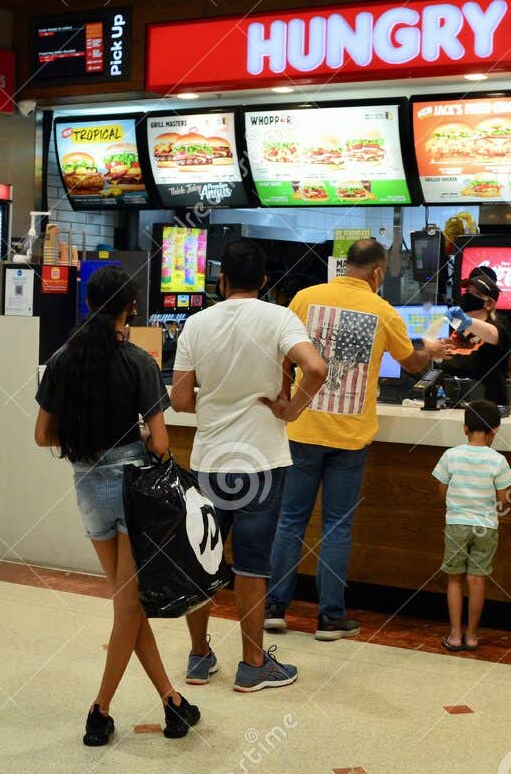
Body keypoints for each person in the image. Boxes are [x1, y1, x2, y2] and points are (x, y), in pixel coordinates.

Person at [34, 265, 201, 745]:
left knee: (128, 604)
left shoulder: (63, 359)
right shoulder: (139, 362)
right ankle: (99, 709)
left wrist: (86, 440)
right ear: (129, 306)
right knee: (128, 604)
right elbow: (161, 444)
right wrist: (144, 439)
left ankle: (172, 701)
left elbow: (42, 435)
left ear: (88, 303)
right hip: (134, 490)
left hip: (88, 487)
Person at [265, 238, 445, 640]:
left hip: (302, 429)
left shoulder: (305, 298)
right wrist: (430, 350)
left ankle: (274, 609)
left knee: (290, 520)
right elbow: (412, 364)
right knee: (337, 527)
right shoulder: (383, 311)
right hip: (350, 436)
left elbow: (281, 354)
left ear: (346, 265)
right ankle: (330, 618)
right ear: (378, 272)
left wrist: (284, 395)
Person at [170, 238, 328, 692]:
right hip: (261, 461)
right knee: (252, 564)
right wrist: (292, 410)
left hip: (210, 460)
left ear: (221, 280)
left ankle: (199, 657)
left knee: (204, 560)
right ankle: (253, 664)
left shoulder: (196, 324)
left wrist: (214, 400)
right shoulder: (279, 317)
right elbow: (316, 369)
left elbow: (179, 399)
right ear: (263, 280)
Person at [433, 400, 511, 652]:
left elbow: (442, 490)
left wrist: (456, 507)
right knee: (477, 581)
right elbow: (504, 499)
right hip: (486, 526)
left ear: (465, 429)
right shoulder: (498, 461)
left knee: (455, 580)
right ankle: (471, 636)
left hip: (456, 524)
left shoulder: (451, 455)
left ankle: (454, 635)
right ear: (495, 430)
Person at [440, 265, 511, 408]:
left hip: (488, 408)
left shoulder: (499, 323)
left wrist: (467, 321)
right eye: (467, 291)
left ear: (489, 303)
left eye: (477, 294)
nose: (468, 296)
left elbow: (492, 334)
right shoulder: (458, 328)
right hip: (453, 405)